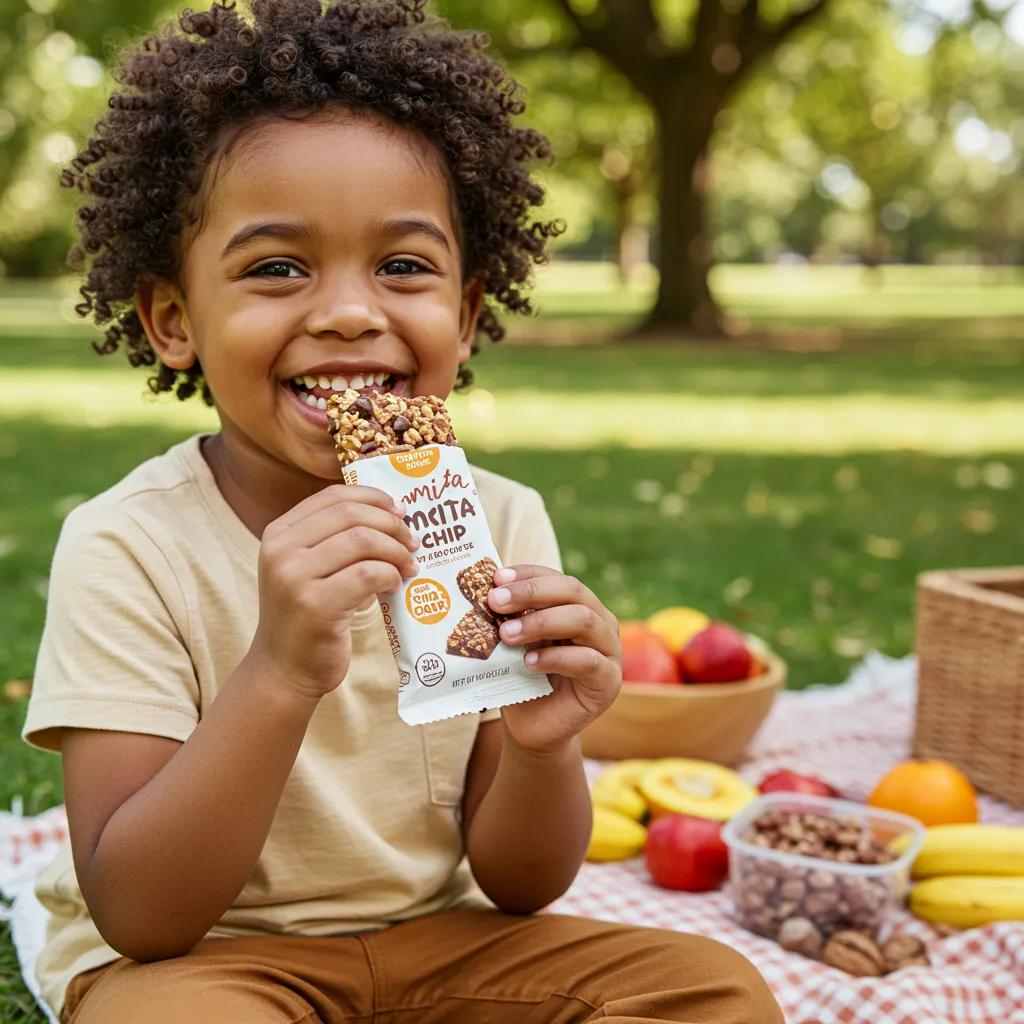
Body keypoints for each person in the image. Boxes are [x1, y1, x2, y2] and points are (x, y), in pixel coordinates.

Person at [22, 1, 784, 1021]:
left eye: (403, 266)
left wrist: (545, 739)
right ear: (173, 321)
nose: (349, 310)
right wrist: (281, 669)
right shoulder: (129, 543)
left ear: (465, 319)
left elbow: (521, 882)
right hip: (206, 967)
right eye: (277, 268)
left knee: (712, 990)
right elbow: (140, 912)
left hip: (445, 944)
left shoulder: (500, 523)